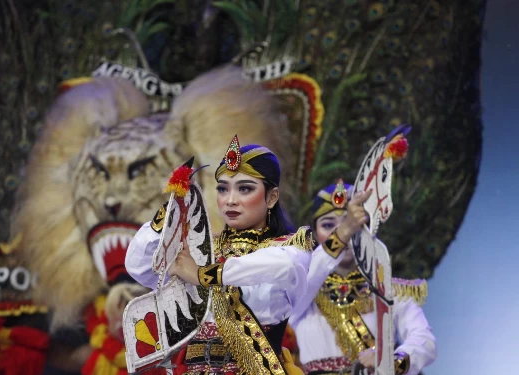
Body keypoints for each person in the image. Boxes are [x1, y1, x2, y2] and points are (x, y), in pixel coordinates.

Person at [125, 137, 369, 375]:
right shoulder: (202, 248)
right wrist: (166, 217)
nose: (231, 200)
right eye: (223, 188)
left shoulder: (291, 248)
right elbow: (140, 268)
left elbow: (278, 266)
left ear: (271, 197)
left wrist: (203, 275)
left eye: (244, 189)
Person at [290, 181, 437, 375]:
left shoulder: (390, 290)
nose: (345, 231)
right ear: (315, 235)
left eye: (351, 224)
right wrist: (342, 233)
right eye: (328, 225)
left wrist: (392, 361)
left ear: (368, 229)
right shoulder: (302, 292)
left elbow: (424, 339)